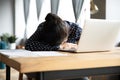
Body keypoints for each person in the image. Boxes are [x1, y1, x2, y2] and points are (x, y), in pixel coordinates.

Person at [25, 13, 89, 80]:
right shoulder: (43, 28)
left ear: (67, 33)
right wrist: (59, 47)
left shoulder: (75, 29)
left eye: (63, 41)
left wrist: (77, 46)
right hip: (46, 65)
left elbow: (88, 43)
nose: (63, 42)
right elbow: (29, 45)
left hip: (70, 65)